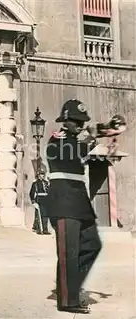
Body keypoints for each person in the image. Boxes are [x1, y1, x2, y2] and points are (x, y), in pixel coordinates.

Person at [45, 99, 125, 314]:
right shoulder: (57, 140)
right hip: (63, 201)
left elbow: (86, 146)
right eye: (77, 122)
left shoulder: (78, 140)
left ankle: (70, 287)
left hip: (79, 202)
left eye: (82, 123)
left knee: (92, 245)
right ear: (66, 121)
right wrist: (90, 139)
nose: (80, 126)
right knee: (68, 253)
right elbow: (71, 153)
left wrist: (110, 129)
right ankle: (68, 300)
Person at [29, 170, 50, 235]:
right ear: (38, 175)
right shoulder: (35, 183)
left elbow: (48, 191)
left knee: (45, 215)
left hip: (46, 200)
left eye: (43, 174)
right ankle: (38, 230)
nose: (42, 176)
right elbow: (31, 193)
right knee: (38, 215)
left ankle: (45, 230)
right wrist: (33, 202)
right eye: (41, 174)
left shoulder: (46, 183)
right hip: (39, 200)